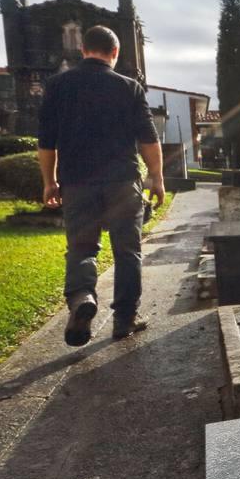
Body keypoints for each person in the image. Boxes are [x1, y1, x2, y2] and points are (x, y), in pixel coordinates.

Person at [37, 25, 165, 345]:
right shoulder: (129, 88)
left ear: (83, 51)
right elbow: (148, 139)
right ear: (115, 53)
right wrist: (157, 177)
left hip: (77, 181)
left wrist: (49, 182)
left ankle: (81, 298)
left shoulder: (57, 86)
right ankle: (124, 319)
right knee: (127, 251)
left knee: (81, 247)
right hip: (122, 182)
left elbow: (46, 143)